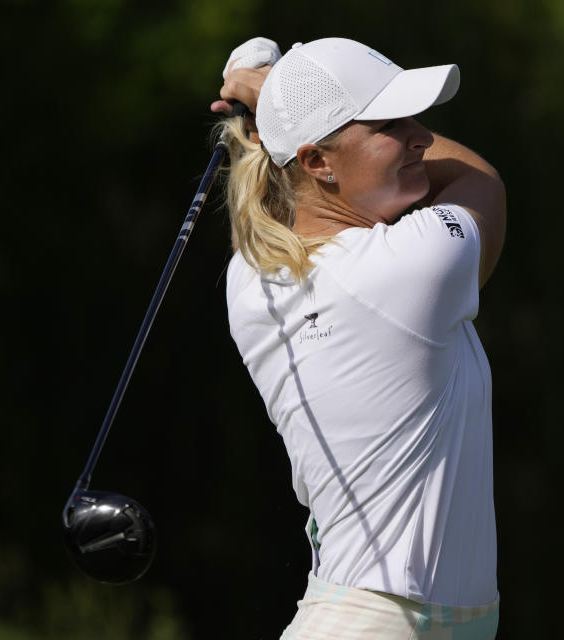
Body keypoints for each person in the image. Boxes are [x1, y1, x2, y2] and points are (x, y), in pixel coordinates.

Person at [211, 36, 506, 639]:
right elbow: (482, 181)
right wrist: (274, 93)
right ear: (317, 162)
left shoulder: (251, 280)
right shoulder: (409, 268)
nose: (422, 136)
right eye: (392, 124)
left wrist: (282, 110)